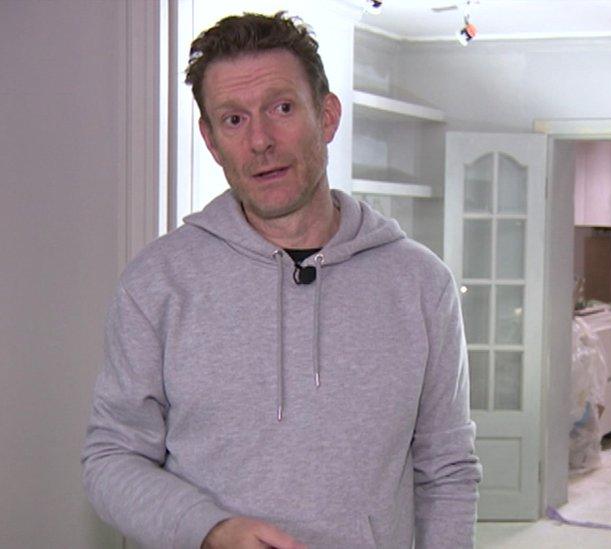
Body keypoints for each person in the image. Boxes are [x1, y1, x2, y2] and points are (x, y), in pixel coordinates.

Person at [82, 12, 481, 549]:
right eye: (234, 119)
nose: (261, 140)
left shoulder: (419, 283)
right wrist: (210, 530)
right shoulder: (157, 283)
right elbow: (111, 460)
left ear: (328, 116)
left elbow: (448, 470)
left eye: (282, 108)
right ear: (211, 139)